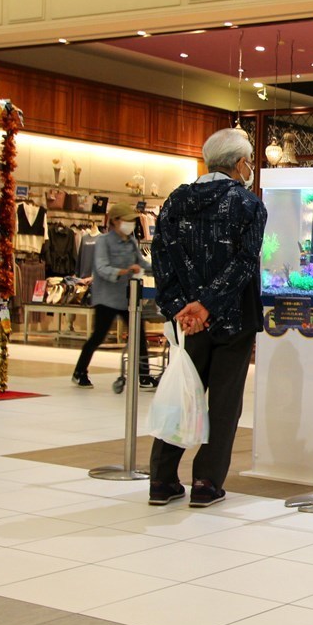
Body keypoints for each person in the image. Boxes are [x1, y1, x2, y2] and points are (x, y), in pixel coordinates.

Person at [147, 129, 266, 508]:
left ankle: (162, 481)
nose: (250, 167)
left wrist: (182, 307)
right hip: (233, 319)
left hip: (187, 324)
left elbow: (161, 257)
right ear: (238, 163)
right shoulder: (248, 205)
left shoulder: (175, 201)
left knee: (182, 395)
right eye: (248, 160)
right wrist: (209, 304)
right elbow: (243, 263)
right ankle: (206, 482)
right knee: (225, 402)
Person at [72, 203, 153, 389]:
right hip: (106, 299)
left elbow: (141, 262)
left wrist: (157, 269)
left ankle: (144, 375)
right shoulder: (103, 241)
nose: (130, 223)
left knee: (139, 335)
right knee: (98, 336)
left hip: (127, 298)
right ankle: (79, 371)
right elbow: (101, 268)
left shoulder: (131, 242)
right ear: (116, 221)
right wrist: (124, 271)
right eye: (127, 219)